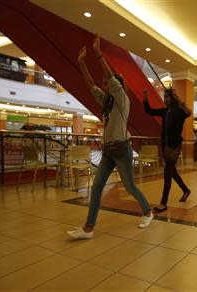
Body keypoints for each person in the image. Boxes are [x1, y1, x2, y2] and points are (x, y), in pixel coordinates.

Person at [67, 35, 153, 239]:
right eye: (105, 83)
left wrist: (98, 54)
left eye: (108, 83)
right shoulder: (106, 102)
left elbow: (111, 77)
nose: (105, 85)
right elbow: (90, 85)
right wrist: (81, 63)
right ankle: (88, 228)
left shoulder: (122, 99)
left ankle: (148, 212)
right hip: (108, 151)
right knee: (96, 188)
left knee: (130, 186)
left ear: (117, 85)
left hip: (122, 149)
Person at [142, 88, 192, 213]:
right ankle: (186, 190)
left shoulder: (179, 111)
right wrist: (145, 98)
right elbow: (149, 111)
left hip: (175, 145)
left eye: (167, 96)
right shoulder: (165, 111)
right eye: (164, 96)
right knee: (172, 171)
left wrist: (179, 99)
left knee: (167, 172)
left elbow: (189, 112)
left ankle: (163, 203)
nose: (165, 99)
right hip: (165, 144)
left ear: (173, 98)